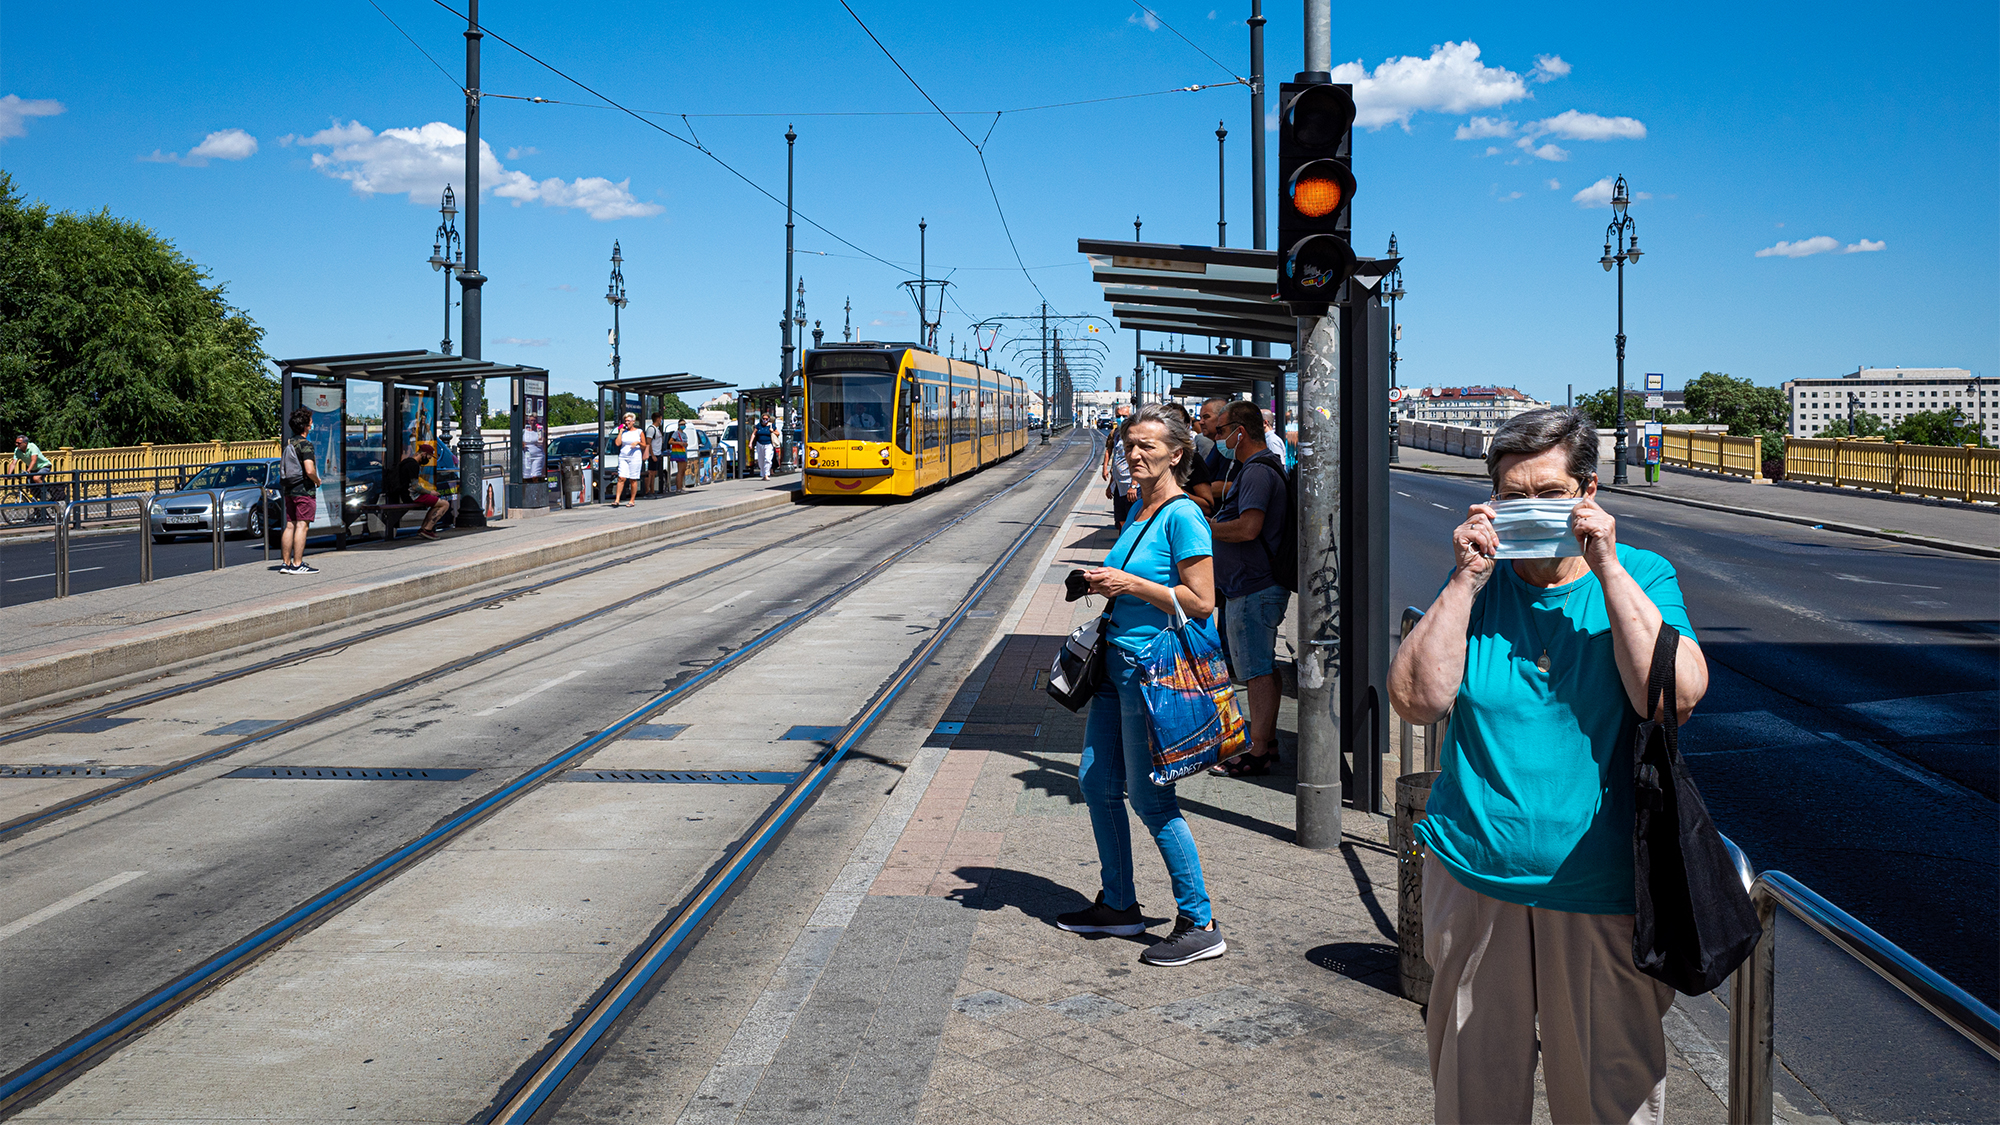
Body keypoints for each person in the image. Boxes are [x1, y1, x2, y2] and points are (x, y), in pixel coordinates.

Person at [1387, 407, 1709, 1125]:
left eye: (1550, 494)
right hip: (1475, 881)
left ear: (1588, 492)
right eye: (1513, 495)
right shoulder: (1478, 582)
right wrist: (1466, 580)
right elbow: (1414, 699)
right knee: (1475, 1100)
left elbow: (1675, 696)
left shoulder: (1641, 576)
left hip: (1598, 891)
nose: (1530, 510)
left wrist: (1609, 567)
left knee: (1609, 1104)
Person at [1056, 403, 1226, 967]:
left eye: (1147, 447)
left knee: (1151, 798)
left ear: (1177, 454)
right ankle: (1120, 906)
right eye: (1130, 446)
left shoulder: (1183, 516)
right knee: (1094, 781)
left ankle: (1199, 920)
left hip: (1150, 672)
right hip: (1115, 667)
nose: (1134, 455)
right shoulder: (1139, 509)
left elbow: (1202, 603)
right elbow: (1137, 584)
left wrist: (1128, 582)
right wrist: (1100, 584)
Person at [1206, 401, 1288, 776]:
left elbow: (1247, 528)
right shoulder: (1252, 468)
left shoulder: (1256, 472)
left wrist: (1205, 528)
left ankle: (1255, 753)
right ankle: (1265, 740)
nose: (1217, 437)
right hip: (1250, 586)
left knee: (1254, 671)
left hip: (1253, 587)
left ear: (1241, 431)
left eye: (1222, 430)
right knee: (1261, 666)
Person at [278, 409, 320, 575]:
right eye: (310, 421)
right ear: (305, 426)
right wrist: (317, 480)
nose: (311, 424)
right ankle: (297, 564)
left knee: (290, 526)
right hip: (304, 490)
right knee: (302, 526)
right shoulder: (306, 445)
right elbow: (309, 470)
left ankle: (285, 563)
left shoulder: (290, 444)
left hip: (289, 490)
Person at [1157, 402, 1217, 514]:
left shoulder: (1192, 460)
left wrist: (1175, 491)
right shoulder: (1154, 458)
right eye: (1165, 422)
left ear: (1187, 426)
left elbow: (1207, 506)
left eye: (1177, 423)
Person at [393, 449, 452, 540]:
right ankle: (427, 529)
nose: (428, 460)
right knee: (445, 504)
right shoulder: (413, 465)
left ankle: (424, 528)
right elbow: (415, 487)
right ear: (423, 454)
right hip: (412, 496)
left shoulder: (406, 462)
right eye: (428, 457)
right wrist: (430, 492)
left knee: (436, 504)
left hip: (404, 493)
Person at [1100, 417, 1136, 526]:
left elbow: (1138, 463)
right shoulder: (1115, 433)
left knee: (1131, 519)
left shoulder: (1134, 436)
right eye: (1118, 416)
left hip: (1129, 485)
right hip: (1118, 485)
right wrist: (1111, 485)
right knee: (1121, 520)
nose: (1121, 419)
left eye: (1124, 416)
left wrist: (1134, 485)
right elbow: (1113, 458)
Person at [613, 413, 645, 506]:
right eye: (625, 421)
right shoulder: (624, 432)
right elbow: (617, 443)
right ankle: (617, 499)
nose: (627, 423)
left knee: (633, 479)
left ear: (633, 422)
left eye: (629, 421)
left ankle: (632, 500)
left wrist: (638, 443)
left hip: (635, 456)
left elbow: (644, 445)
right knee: (621, 477)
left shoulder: (639, 431)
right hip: (623, 456)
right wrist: (620, 432)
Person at [645, 412, 665, 496]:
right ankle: (647, 490)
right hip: (652, 454)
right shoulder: (651, 429)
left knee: (654, 473)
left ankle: (652, 490)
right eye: (660, 419)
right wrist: (652, 455)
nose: (661, 421)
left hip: (657, 453)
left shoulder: (657, 429)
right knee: (650, 473)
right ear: (657, 419)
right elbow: (648, 442)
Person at [752, 412, 776, 480]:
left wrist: (772, 431)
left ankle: (766, 474)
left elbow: (778, 433)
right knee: (761, 460)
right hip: (759, 444)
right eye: (763, 418)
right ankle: (762, 474)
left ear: (768, 419)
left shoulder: (772, 425)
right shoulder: (758, 425)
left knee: (767, 459)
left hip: (768, 444)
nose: (765, 420)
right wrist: (751, 443)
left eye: (766, 418)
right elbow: (754, 434)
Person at [668, 423, 691, 491]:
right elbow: (670, 441)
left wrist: (685, 444)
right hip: (679, 453)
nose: (683, 425)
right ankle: (678, 488)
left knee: (683, 471)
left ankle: (681, 487)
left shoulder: (684, 434)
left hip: (684, 452)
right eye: (682, 424)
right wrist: (679, 443)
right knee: (680, 471)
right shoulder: (676, 433)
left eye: (684, 424)